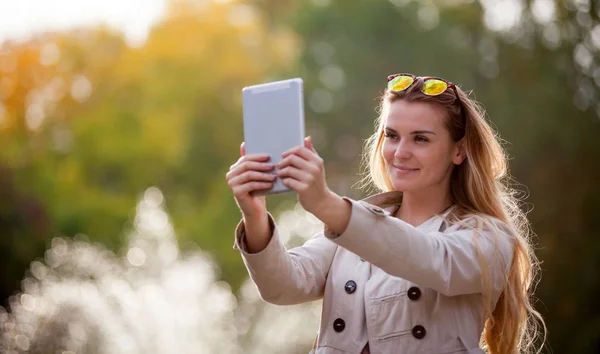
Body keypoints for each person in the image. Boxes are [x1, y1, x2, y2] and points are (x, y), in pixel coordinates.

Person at [226, 73, 545, 354]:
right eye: (391, 136)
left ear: (459, 150)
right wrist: (255, 216)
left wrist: (325, 204)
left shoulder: (488, 237)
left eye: (420, 138)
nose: (400, 152)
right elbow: (283, 286)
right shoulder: (356, 223)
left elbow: (432, 259)